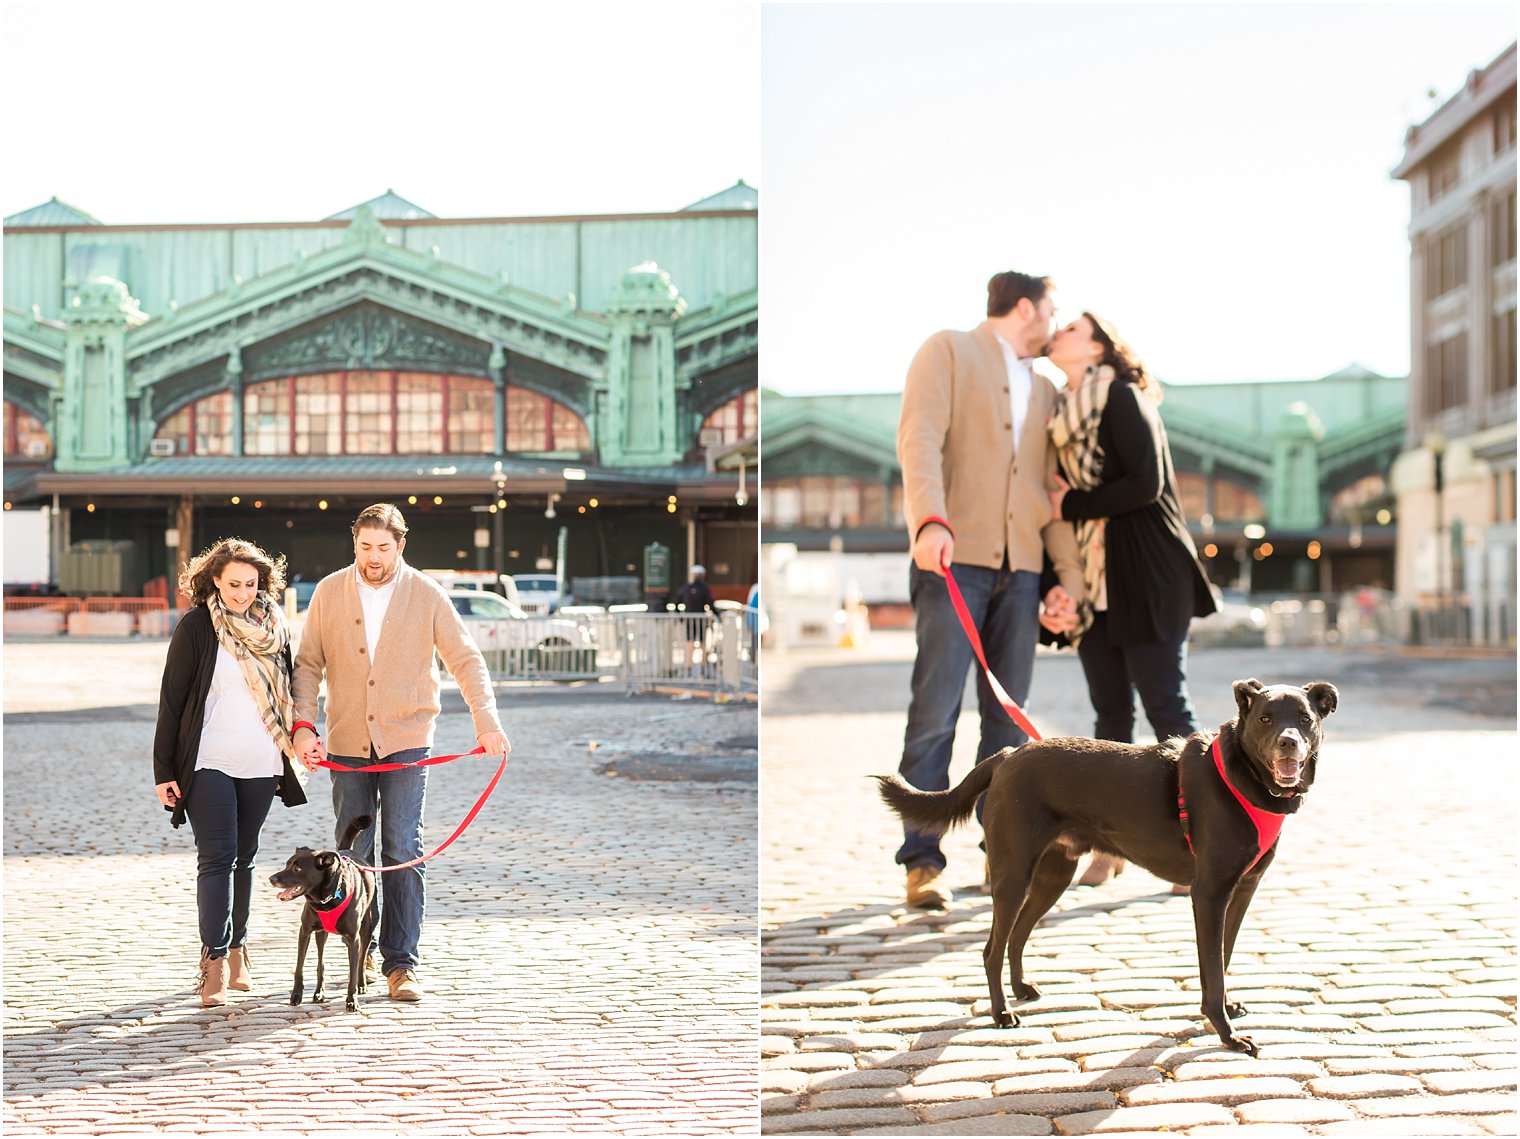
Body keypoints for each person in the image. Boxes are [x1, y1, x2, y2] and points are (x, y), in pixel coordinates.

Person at [895, 270, 1085, 909]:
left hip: (1023, 566)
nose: (1056, 323)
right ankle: (922, 861)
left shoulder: (1047, 387)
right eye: (1051, 310)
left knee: (1008, 722)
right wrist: (929, 519)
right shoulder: (947, 349)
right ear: (1026, 307)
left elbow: (1051, 488)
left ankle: (1000, 855)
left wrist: (1069, 582)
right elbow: (918, 438)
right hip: (955, 556)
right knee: (936, 711)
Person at [292, 503, 510, 1002]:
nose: (373, 557)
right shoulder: (328, 592)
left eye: (383, 548)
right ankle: (360, 948)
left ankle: (401, 963)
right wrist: (304, 727)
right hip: (345, 744)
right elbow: (306, 667)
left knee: (403, 851)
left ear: (401, 546)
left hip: (408, 741)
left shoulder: (426, 594)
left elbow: (465, 659)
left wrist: (487, 721)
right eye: (364, 547)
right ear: (354, 543)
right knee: (353, 856)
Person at [1044, 312, 1216, 885]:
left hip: (1147, 574)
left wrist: (1067, 506)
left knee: (1168, 710)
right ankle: (1111, 845)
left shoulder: (1121, 397)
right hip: (1098, 583)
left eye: (1070, 327)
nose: (1058, 331)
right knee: (1110, 717)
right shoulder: (1061, 414)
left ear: (1097, 346)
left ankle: (1202, 843)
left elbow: (1144, 483)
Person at [153, 537, 308, 1007]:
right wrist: (164, 770)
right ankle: (213, 961)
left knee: (245, 857)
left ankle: (239, 948)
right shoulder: (198, 627)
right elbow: (172, 701)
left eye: (251, 584)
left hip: (261, 761)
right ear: (214, 581)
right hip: (208, 759)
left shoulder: (275, 628)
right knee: (217, 857)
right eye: (233, 583)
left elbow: (289, 692)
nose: (242, 593)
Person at [673, 563, 716, 665]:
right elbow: (710, 604)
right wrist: (717, 615)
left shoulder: (686, 588)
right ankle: (702, 665)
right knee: (701, 642)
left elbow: (676, 603)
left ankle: (689, 665)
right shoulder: (704, 588)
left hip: (690, 619)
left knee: (690, 641)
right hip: (700, 620)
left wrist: (680, 617)